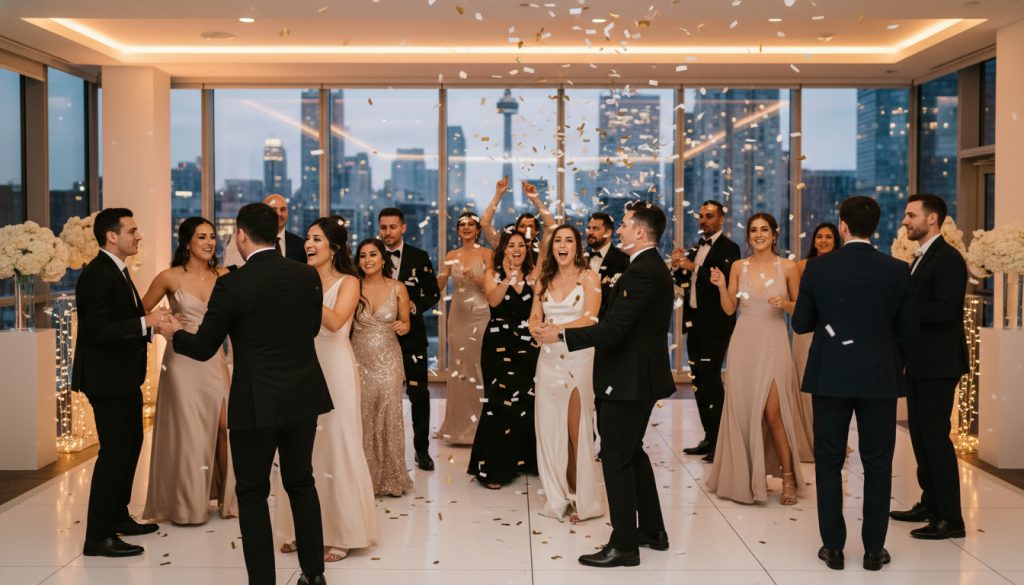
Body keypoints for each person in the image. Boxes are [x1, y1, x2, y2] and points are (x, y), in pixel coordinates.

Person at [162, 203, 333, 585]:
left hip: (255, 401)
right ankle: (315, 575)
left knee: (253, 493)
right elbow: (308, 330)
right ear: (275, 233)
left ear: (241, 235)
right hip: (303, 393)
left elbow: (205, 346)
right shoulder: (307, 276)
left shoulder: (233, 283)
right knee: (301, 481)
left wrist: (174, 333)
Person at [535, 200, 674, 568]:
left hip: (628, 381)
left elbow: (613, 330)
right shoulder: (650, 267)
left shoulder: (641, 272)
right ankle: (653, 531)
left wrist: (560, 335)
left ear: (640, 231)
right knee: (633, 452)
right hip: (640, 376)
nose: (622, 229)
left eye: (627, 224)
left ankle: (624, 544)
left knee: (615, 457)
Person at [792, 195, 916, 572]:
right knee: (878, 464)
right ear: (874, 227)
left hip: (830, 375)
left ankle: (833, 548)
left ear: (842, 226)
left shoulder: (818, 268)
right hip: (879, 375)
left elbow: (800, 323)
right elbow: (908, 331)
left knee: (829, 462)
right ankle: (874, 551)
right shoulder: (898, 269)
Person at [275, 217, 379, 562]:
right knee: (301, 445)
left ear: (333, 248)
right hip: (302, 363)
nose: (308, 243)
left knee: (336, 441)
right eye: (307, 237)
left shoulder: (349, 282)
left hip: (334, 364)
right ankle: (296, 527)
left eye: (316, 238)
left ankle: (342, 532)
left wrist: (304, 292)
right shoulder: (299, 278)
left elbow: (335, 322)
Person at [72, 208, 165, 557]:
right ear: (112, 236)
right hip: (106, 380)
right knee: (114, 453)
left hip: (123, 378)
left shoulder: (117, 271)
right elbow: (98, 331)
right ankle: (97, 537)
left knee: (131, 444)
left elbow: (121, 320)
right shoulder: (97, 274)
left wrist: (151, 322)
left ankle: (118, 515)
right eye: (133, 230)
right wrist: (146, 322)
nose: (138, 236)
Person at [704, 213, 807, 506]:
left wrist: (785, 303)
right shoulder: (739, 266)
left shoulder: (787, 267)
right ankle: (748, 478)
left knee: (773, 413)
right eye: (753, 230)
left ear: (775, 234)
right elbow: (728, 310)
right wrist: (723, 286)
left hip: (774, 342)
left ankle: (787, 477)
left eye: (764, 230)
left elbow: (799, 309)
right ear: (748, 236)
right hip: (743, 343)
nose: (759, 234)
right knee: (743, 411)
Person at [140, 216, 233, 525]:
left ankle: (226, 499)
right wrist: (164, 324)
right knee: (191, 431)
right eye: (202, 237)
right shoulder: (169, 277)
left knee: (224, 428)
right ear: (187, 243)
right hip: (182, 362)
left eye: (212, 237)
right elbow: (140, 312)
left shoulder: (224, 275)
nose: (209, 242)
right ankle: (188, 504)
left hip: (214, 358)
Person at [889, 194, 968, 540]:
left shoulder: (948, 259)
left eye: (911, 215)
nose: (905, 221)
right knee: (921, 437)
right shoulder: (922, 257)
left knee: (935, 438)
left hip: (939, 362)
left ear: (931, 219)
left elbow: (945, 311)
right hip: (921, 362)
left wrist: (902, 312)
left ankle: (951, 518)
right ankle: (930, 502)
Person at [529, 224, 604, 522]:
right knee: (549, 430)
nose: (562, 245)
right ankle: (558, 496)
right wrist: (536, 328)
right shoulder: (543, 279)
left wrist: (558, 331)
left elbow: (591, 318)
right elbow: (535, 315)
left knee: (577, 431)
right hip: (547, 360)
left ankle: (582, 499)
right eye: (558, 240)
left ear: (577, 246)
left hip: (578, 359)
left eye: (568, 240)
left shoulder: (589, 277)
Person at [467, 230, 539, 488]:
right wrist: (509, 278)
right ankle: (494, 469)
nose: (517, 250)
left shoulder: (534, 274)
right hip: (499, 343)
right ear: (504, 249)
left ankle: (524, 461)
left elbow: (537, 310)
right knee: (499, 402)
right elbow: (494, 301)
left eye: (521, 245)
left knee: (526, 402)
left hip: (528, 343)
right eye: (511, 246)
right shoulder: (492, 273)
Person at [672, 201, 741, 463]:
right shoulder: (696, 247)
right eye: (701, 216)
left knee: (712, 380)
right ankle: (709, 436)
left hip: (716, 325)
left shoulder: (730, 248)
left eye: (709, 216)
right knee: (698, 382)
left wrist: (694, 269)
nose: (703, 220)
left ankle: (722, 441)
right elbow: (682, 284)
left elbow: (724, 280)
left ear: (722, 219)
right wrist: (678, 267)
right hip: (695, 324)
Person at [379, 208, 441, 471]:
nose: (388, 232)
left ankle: (422, 450)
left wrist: (412, 306)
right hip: (378, 338)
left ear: (403, 228)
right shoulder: (372, 255)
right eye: (383, 227)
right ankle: (381, 452)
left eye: (393, 227)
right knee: (382, 395)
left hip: (412, 337)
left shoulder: (419, 256)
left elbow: (433, 293)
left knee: (418, 395)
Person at [351, 238, 414, 497]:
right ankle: (366, 477)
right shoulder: (353, 287)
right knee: (364, 415)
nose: (368, 260)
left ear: (383, 259)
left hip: (389, 358)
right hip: (359, 359)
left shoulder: (398, 287)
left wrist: (403, 326)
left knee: (389, 413)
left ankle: (391, 477)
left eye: (373, 254)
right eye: (363, 256)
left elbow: (406, 323)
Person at [437, 212, 492, 445]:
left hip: (480, 313)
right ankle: (456, 426)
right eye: (462, 225)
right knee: (458, 366)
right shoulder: (451, 254)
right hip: (458, 315)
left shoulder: (487, 254)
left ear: (478, 229)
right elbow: (440, 284)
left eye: (471, 224)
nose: (467, 228)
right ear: (458, 230)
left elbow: (491, 287)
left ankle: (480, 425)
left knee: (478, 366)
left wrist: (476, 278)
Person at [790, 222, 841, 463]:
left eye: (828, 237)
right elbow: (797, 304)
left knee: (829, 388)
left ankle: (828, 440)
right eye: (819, 237)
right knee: (805, 385)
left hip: (833, 332)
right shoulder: (802, 266)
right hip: (806, 333)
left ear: (835, 240)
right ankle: (805, 441)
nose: (822, 241)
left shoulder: (843, 265)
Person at [223, 193, 307, 267]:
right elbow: (231, 271)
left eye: (283, 209)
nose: (279, 213)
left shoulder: (300, 245)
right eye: (274, 209)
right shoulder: (244, 240)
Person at [480, 176, 557, 256]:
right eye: (522, 226)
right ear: (516, 229)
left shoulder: (542, 249)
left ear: (536, 231)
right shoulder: (505, 247)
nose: (526, 229)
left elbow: (552, 227)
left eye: (530, 226)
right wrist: (498, 194)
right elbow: (485, 223)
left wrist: (535, 198)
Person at [586, 212, 629, 319]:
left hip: (608, 324)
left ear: (608, 232)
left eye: (595, 229)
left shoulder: (623, 260)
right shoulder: (579, 258)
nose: (590, 232)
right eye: (589, 228)